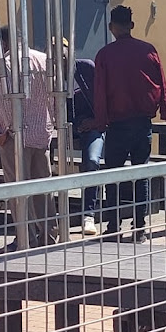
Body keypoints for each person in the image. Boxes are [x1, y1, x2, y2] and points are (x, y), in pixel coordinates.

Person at [93, 5, 166, 243]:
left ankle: (114, 226)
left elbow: (100, 92)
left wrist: (100, 121)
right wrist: (163, 109)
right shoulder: (148, 50)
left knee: (113, 175)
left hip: (117, 124)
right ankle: (140, 228)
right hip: (142, 123)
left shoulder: (105, 55)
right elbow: (162, 83)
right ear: (132, 25)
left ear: (111, 27)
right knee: (141, 173)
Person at [0, 26, 58, 250]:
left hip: (15, 136)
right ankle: (48, 235)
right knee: (42, 189)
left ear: (4, 42)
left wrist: (2, 131)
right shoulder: (44, 60)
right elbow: (55, 98)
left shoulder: (6, 65)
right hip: (41, 132)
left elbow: (6, 103)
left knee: (17, 191)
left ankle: (25, 238)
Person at [60, 37, 103, 236]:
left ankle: (89, 215)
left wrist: (95, 122)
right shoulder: (52, 78)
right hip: (64, 127)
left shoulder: (86, 68)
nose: (59, 57)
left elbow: (103, 99)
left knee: (92, 162)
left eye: (62, 51)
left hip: (92, 125)